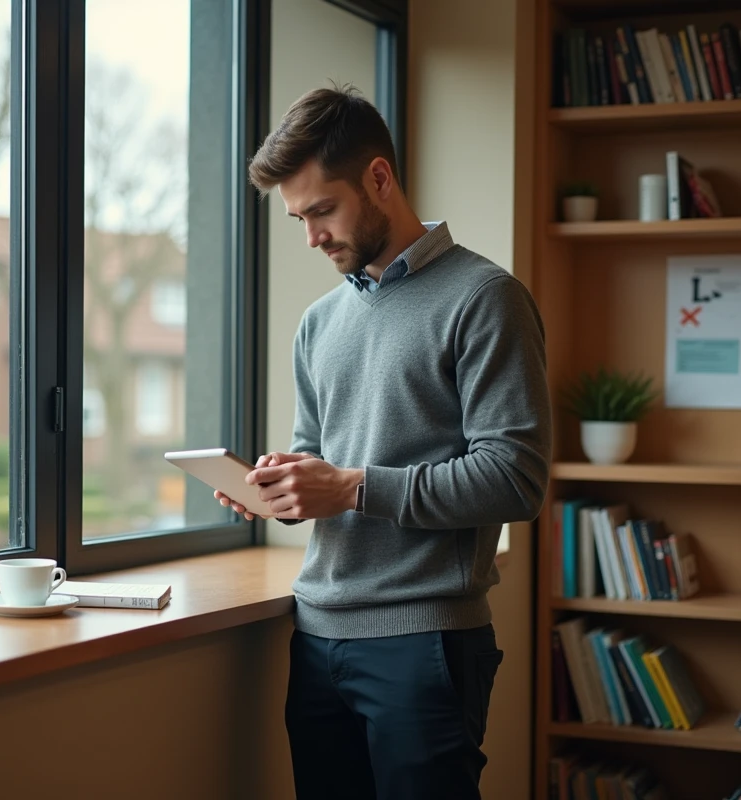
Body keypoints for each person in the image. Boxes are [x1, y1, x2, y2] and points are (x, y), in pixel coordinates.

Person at [214, 84, 552, 800]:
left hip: (424, 641)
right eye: (298, 219)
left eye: (322, 211)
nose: (312, 237)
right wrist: (282, 490)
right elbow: (321, 459)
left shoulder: (485, 298)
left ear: (378, 178)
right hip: (316, 637)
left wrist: (351, 487)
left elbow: (514, 480)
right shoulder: (319, 322)